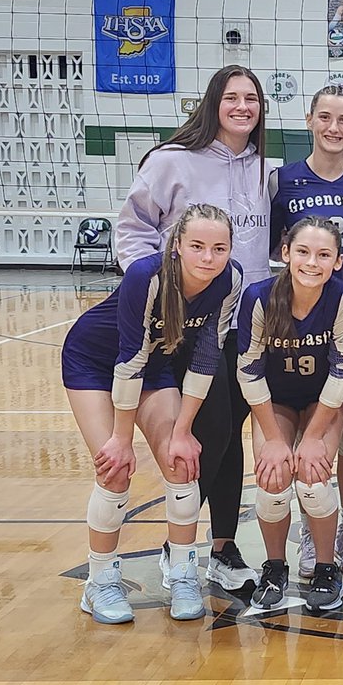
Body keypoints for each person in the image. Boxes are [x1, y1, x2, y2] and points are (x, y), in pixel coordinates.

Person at [115, 64, 273, 593]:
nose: (242, 107)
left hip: (240, 325)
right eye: (232, 97)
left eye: (251, 98)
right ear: (213, 103)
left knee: (227, 438)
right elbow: (132, 226)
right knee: (199, 435)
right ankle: (177, 545)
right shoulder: (170, 160)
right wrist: (159, 290)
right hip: (179, 325)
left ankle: (223, 550)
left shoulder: (262, 167)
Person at [64, 204, 242, 624]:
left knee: (181, 461)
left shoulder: (229, 279)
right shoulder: (147, 276)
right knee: (114, 469)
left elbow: (205, 356)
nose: (208, 258)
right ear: (176, 245)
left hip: (155, 366)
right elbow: (129, 358)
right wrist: (121, 439)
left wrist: (182, 431)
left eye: (219, 248)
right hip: (93, 360)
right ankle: (100, 581)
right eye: (196, 246)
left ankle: (180, 571)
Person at [269, 83, 343, 582]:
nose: (334, 128)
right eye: (326, 117)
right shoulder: (283, 181)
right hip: (293, 323)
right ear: (310, 121)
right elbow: (275, 249)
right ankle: (303, 538)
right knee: (292, 426)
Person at [238, 217, 343, 614]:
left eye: (324, 254)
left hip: (325, 400)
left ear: (337, 261)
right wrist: (274, 439)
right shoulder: (259, 297)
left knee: (313, 477)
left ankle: (326, 568)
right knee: (272, 478)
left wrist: (312, 437)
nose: (312, 262)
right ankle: (275, 567)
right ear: (285, 253)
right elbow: (249, 371)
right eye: (303, 252)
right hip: (276, 399)